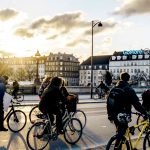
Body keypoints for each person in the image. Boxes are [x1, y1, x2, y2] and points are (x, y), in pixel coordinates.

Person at [107, 72, 147, 147]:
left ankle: (119, 143)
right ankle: (117, 147)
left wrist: (109, 114)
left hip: (114, 114)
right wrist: (145, 113)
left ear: (120, 78)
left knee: (120, 132)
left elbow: (109, 103)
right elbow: (137, 105)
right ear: (128, 79)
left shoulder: (114, 89)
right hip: (123, 115)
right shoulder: (129, 90)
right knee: (121, 133)